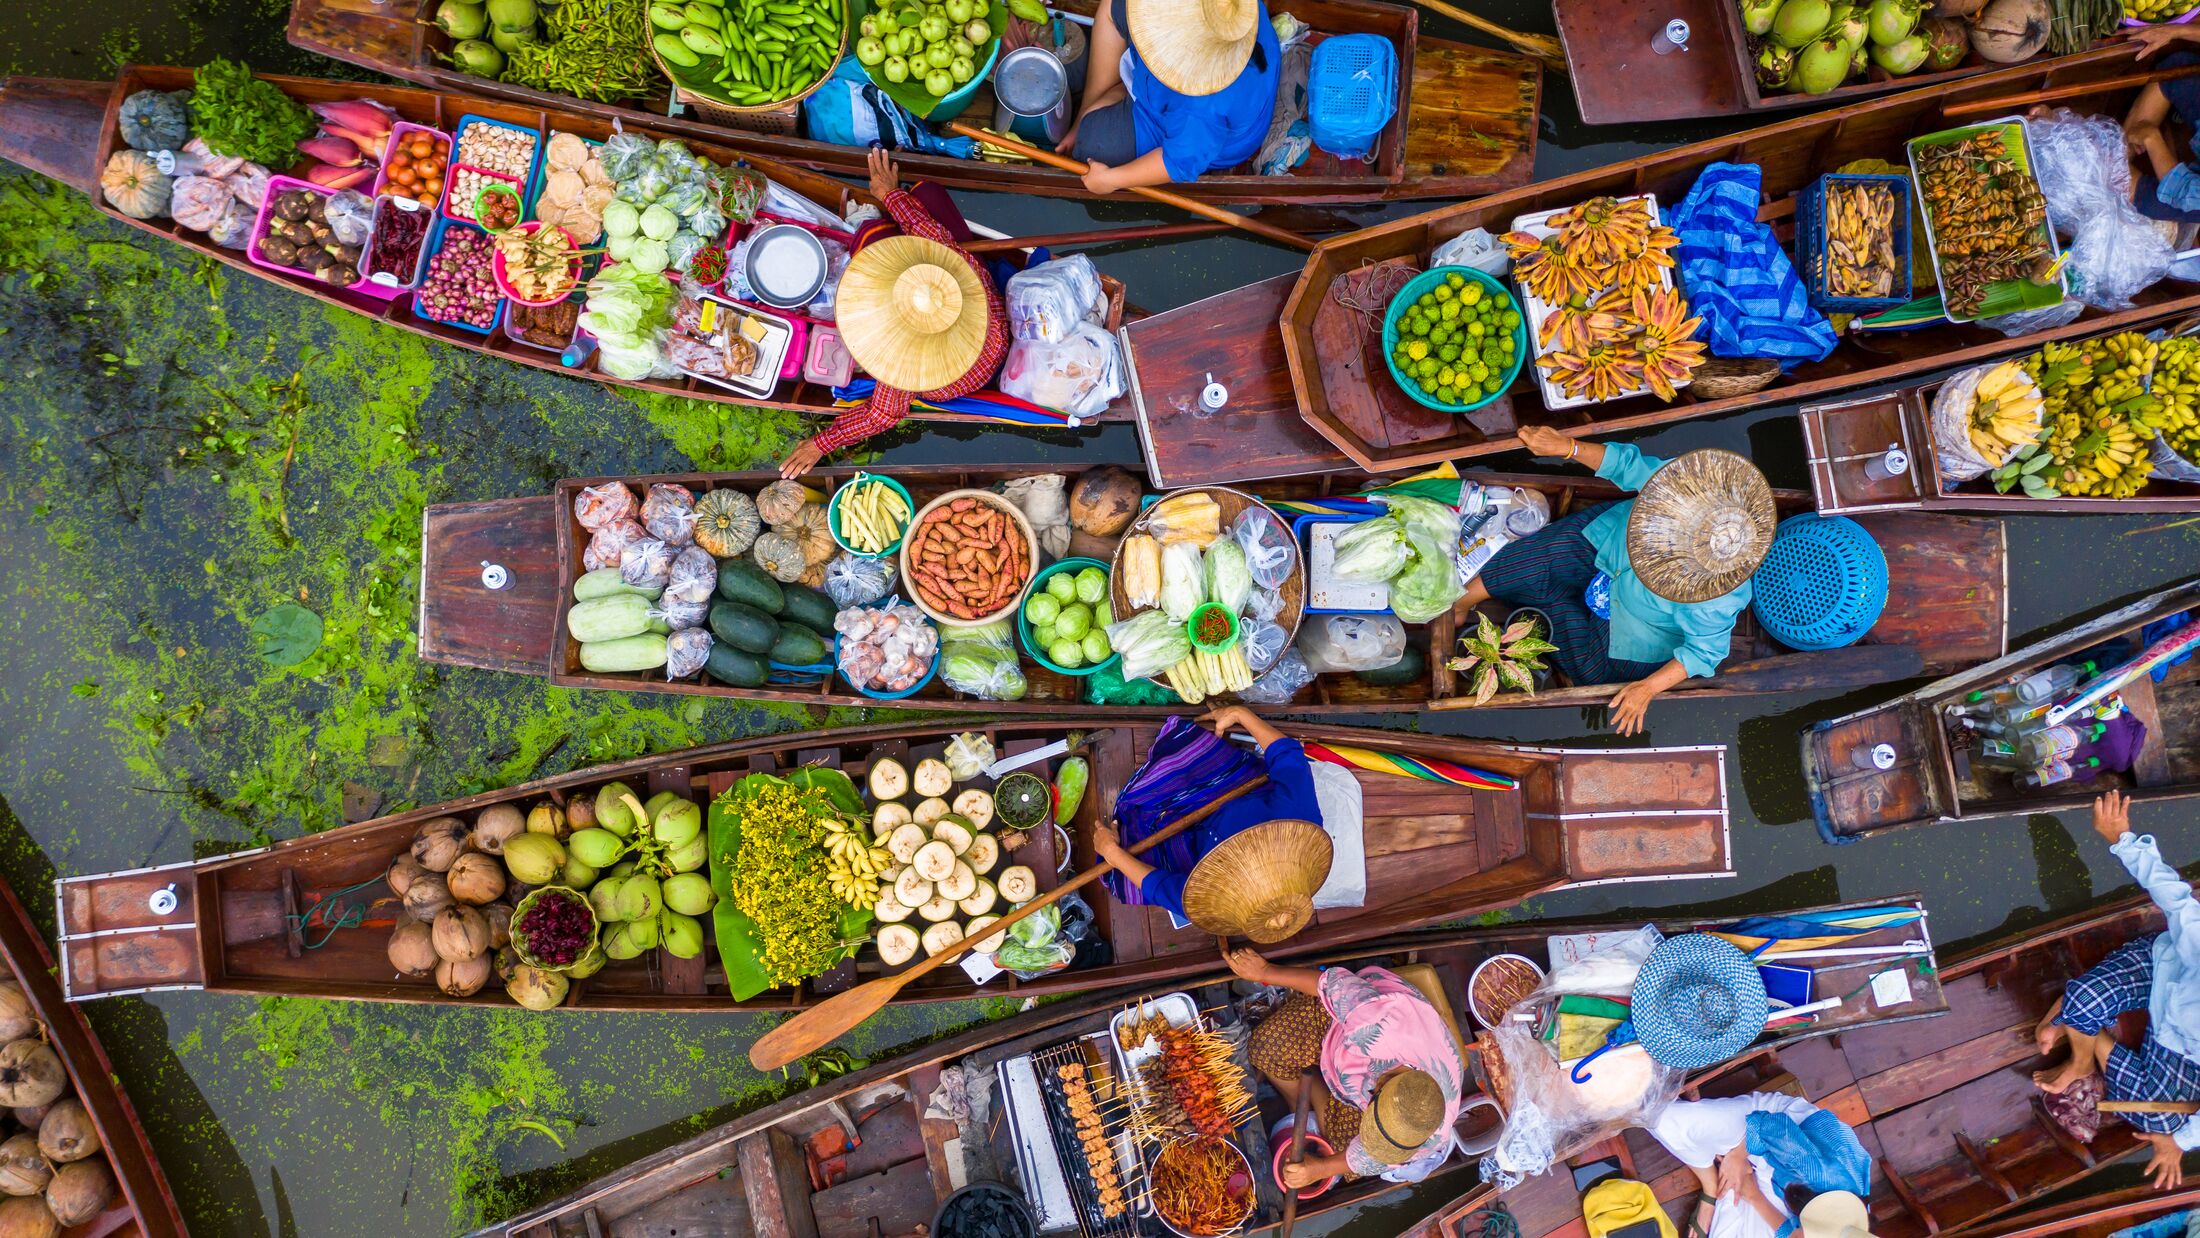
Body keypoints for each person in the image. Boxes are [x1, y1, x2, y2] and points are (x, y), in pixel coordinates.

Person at [1452, 426, 1776, 736]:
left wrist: (1648, 688)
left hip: (1630, 628)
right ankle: (1469, 596)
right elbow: (1629, 466)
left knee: (1595, 673)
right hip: (1605, 543)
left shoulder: (1718, 597)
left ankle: (1537, 600)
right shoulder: (1692, 489)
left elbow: (1703, 653)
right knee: (1548, 553)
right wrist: (1566, 447)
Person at [777, 148, 1007, 477]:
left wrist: (822, 443)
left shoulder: (905, 366)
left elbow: (882, 415)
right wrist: (888, 193)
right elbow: (926, 229)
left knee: (869, 237)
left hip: (958, 377)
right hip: (989, 333)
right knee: (926, 196)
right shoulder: (959, 270)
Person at [2032, 789, 2200, 1191]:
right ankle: (2080, 1053)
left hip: (2182, 1051)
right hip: (2161, 970)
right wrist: (2121, 839)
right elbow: (2178, 902)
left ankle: (2087, 1032)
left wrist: (2177, 1142)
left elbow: (2179, 1133)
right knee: (2084, 1001)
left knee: (2157, 1121)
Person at [1227, 944, 1465, 1186]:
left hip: (1352, 1079)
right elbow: (1328, 986)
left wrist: (1319, 1169)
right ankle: (1301, 1103)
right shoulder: (1376, 1026)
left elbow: (1377, 1159)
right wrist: (1265, 971)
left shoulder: (1429, 1128)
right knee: (1266, 1049)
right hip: (1340, 1022)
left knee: (1348, 1166)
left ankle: (1310, 1104)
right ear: (1377, 1087)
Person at [1093, 705, 1323, 933]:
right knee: (1188, 754)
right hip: (1236, 791)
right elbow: (1287, 753)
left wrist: (1112, 853)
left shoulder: (1210, 903)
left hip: (1197, 848)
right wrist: (1239, 714)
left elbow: (1157, 886)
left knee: (1124, 872)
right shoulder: (1298, 819)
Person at [1055, 0, 1282, 193]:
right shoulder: (1222, 11)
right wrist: (1083, 113)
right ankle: (1112, 93)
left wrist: (1111, 180)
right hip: (1171, 88)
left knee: (1091, 143)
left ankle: (1121, 91)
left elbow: (1179, 162)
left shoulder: (1203, 101)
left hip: (1192, 131)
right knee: (1116, 6)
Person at [1646, 1092, 1872, 1238]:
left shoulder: (1848, 1226)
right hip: (1777, 1128)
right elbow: (1767, 1125)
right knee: (1661, 1118)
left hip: (1786, 1186)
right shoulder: (1821, 1174)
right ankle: (1710, 1186)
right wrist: (1737, 1158)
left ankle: (1733, 1184)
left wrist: (1753, 1194)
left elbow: (1789, 1234)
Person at [2120, 25, 2200, 223]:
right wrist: (2175, 31)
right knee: (2178, 69)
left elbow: (2185, 191)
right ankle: (2116, 153)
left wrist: (2152, 139)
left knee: (2124, 190)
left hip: (2192, 197)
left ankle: (2107, 164)